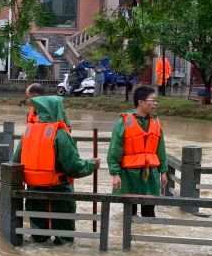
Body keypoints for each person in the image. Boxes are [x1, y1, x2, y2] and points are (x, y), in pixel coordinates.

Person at [11, 95, 99, 245]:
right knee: (64, 241)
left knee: (38, 240)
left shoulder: (27, 133)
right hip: (60, 194)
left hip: (34, 195)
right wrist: (91, 164)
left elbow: (15, 163)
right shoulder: (60, 134)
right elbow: (73, 167)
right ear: (57, 110)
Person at [107, 85, 168, 217]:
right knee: (130, 214)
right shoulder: (123, 122)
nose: (155, 103)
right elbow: (114, 150)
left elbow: (161, 149)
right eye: (152, 100)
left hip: (150, 174)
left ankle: (146, 230)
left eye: (156, 100)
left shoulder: (155, 122)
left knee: (149, 214)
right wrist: (115, 174)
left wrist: (163, 171)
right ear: (140, 102)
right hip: (129, 174)